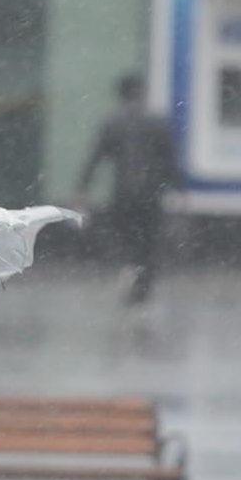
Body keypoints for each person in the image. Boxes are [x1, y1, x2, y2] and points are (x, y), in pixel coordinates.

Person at [76, 72, 183, 307]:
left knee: (125, 237)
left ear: (119, 94)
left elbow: (95, 157)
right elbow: (171, 160)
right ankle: (142, 285)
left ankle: (128, 269)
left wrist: (82, 188)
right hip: (151, 194)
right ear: (142, 93)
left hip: (123, 193)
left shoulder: (112, 123)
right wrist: (179, 189)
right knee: (149, 241)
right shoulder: (157, 122)